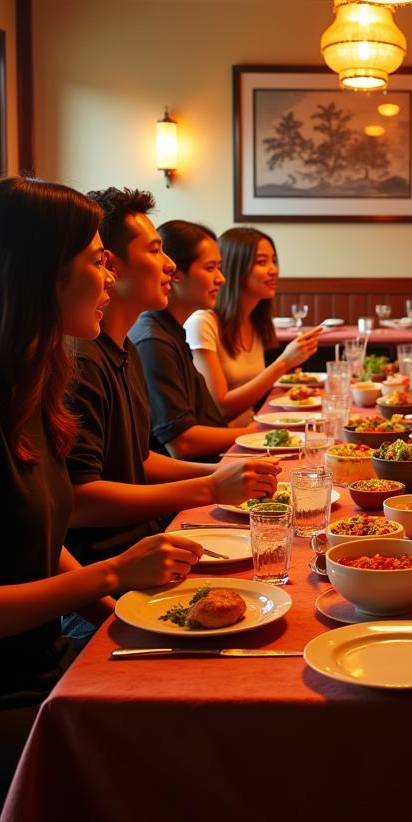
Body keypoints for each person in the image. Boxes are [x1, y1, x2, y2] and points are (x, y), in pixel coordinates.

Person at [0, 177, 204, 822]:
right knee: (153, 777)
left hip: (33, 669)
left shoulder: (27, 381)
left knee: (193, 723)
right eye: (97, 259)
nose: (109, 274)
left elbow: (40, 542)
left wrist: (135, 621)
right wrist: (111, 577)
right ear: (38, 273)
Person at [67, 190, 279, 571]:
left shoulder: (125, 349)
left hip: (150, 545)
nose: (169, 266)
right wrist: (212, 485)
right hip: (112, 566)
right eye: (154, 251)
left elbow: (140, 459)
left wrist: (223, 473)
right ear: (110, 265)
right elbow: (78, 499)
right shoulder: (84, 361)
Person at [130, 221, 257, 461]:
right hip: (187, 485)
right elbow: (183, 443)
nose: (221, 279)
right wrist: (254, 434)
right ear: (175, 274)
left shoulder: (172, 331)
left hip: (213, 467)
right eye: (210, 268)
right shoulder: (152, 341)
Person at [186, 226, 320, 426]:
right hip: (224, 445)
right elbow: (219, 408)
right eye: (261, 262)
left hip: (251, 432)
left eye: (274, 261)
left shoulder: (254, 322)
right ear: (235, 267)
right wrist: (283, 363)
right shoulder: (203, 323)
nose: (273, 270)